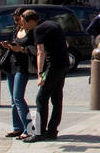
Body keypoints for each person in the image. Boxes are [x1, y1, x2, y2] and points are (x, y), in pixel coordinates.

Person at [21, 9, 71, 143]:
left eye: (24, 23)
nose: (23, 27)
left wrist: (40, 73)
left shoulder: (39, 30)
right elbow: (66, 44)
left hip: (53, 65)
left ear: (31, 21)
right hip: (64, 63)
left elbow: (40, 52)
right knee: (56, 97)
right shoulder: (53, 24)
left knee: (41, 98)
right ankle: (52, 130)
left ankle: (39, 132)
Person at [1, 7, 34, 138]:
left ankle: (29, 128)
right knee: (13, 100)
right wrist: (8, 46)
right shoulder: (17, 30)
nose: (16, 22)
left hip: (22, 66)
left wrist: (21, 49)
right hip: (11, 64)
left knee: (18, 97)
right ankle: (17, 127)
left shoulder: (31, 31)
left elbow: (33, 49)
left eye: (18, 19)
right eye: (15, 20)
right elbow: (15, 44)